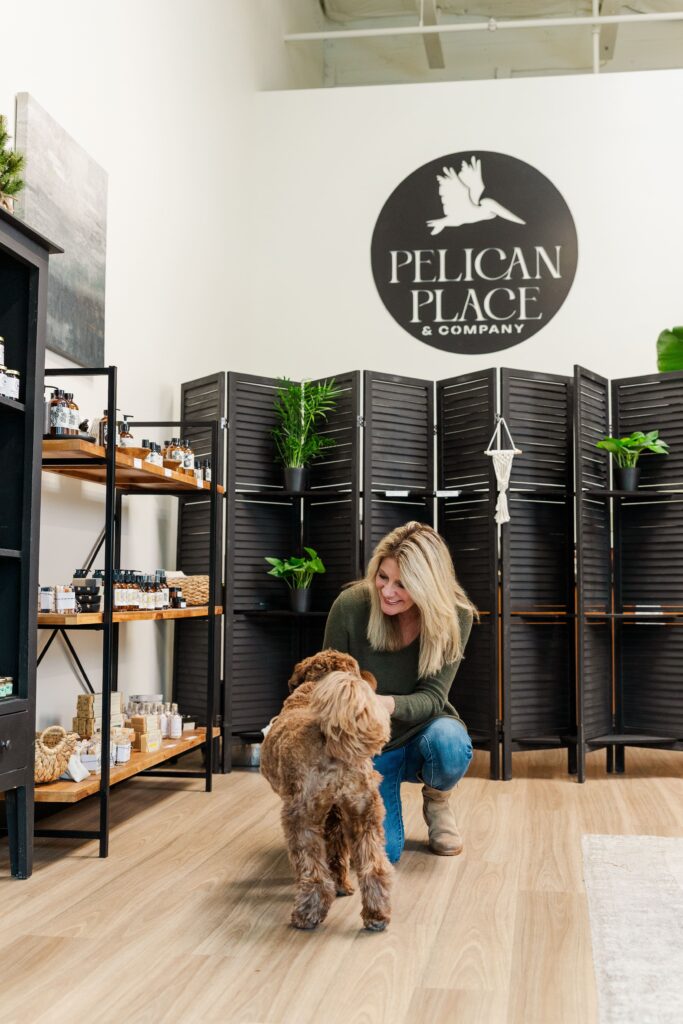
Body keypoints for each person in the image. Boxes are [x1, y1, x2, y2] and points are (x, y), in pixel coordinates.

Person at [323, 521, 477, 865]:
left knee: (450, 744)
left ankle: (437, 800)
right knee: (384, 853)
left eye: (403, 584)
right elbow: (328, 686)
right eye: (383, 577)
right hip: (369, 747)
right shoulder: (350, 606)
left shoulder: (456, 616)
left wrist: (380, 703)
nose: (388, 591)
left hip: (424, 733)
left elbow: (433, 699)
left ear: (427, 587)